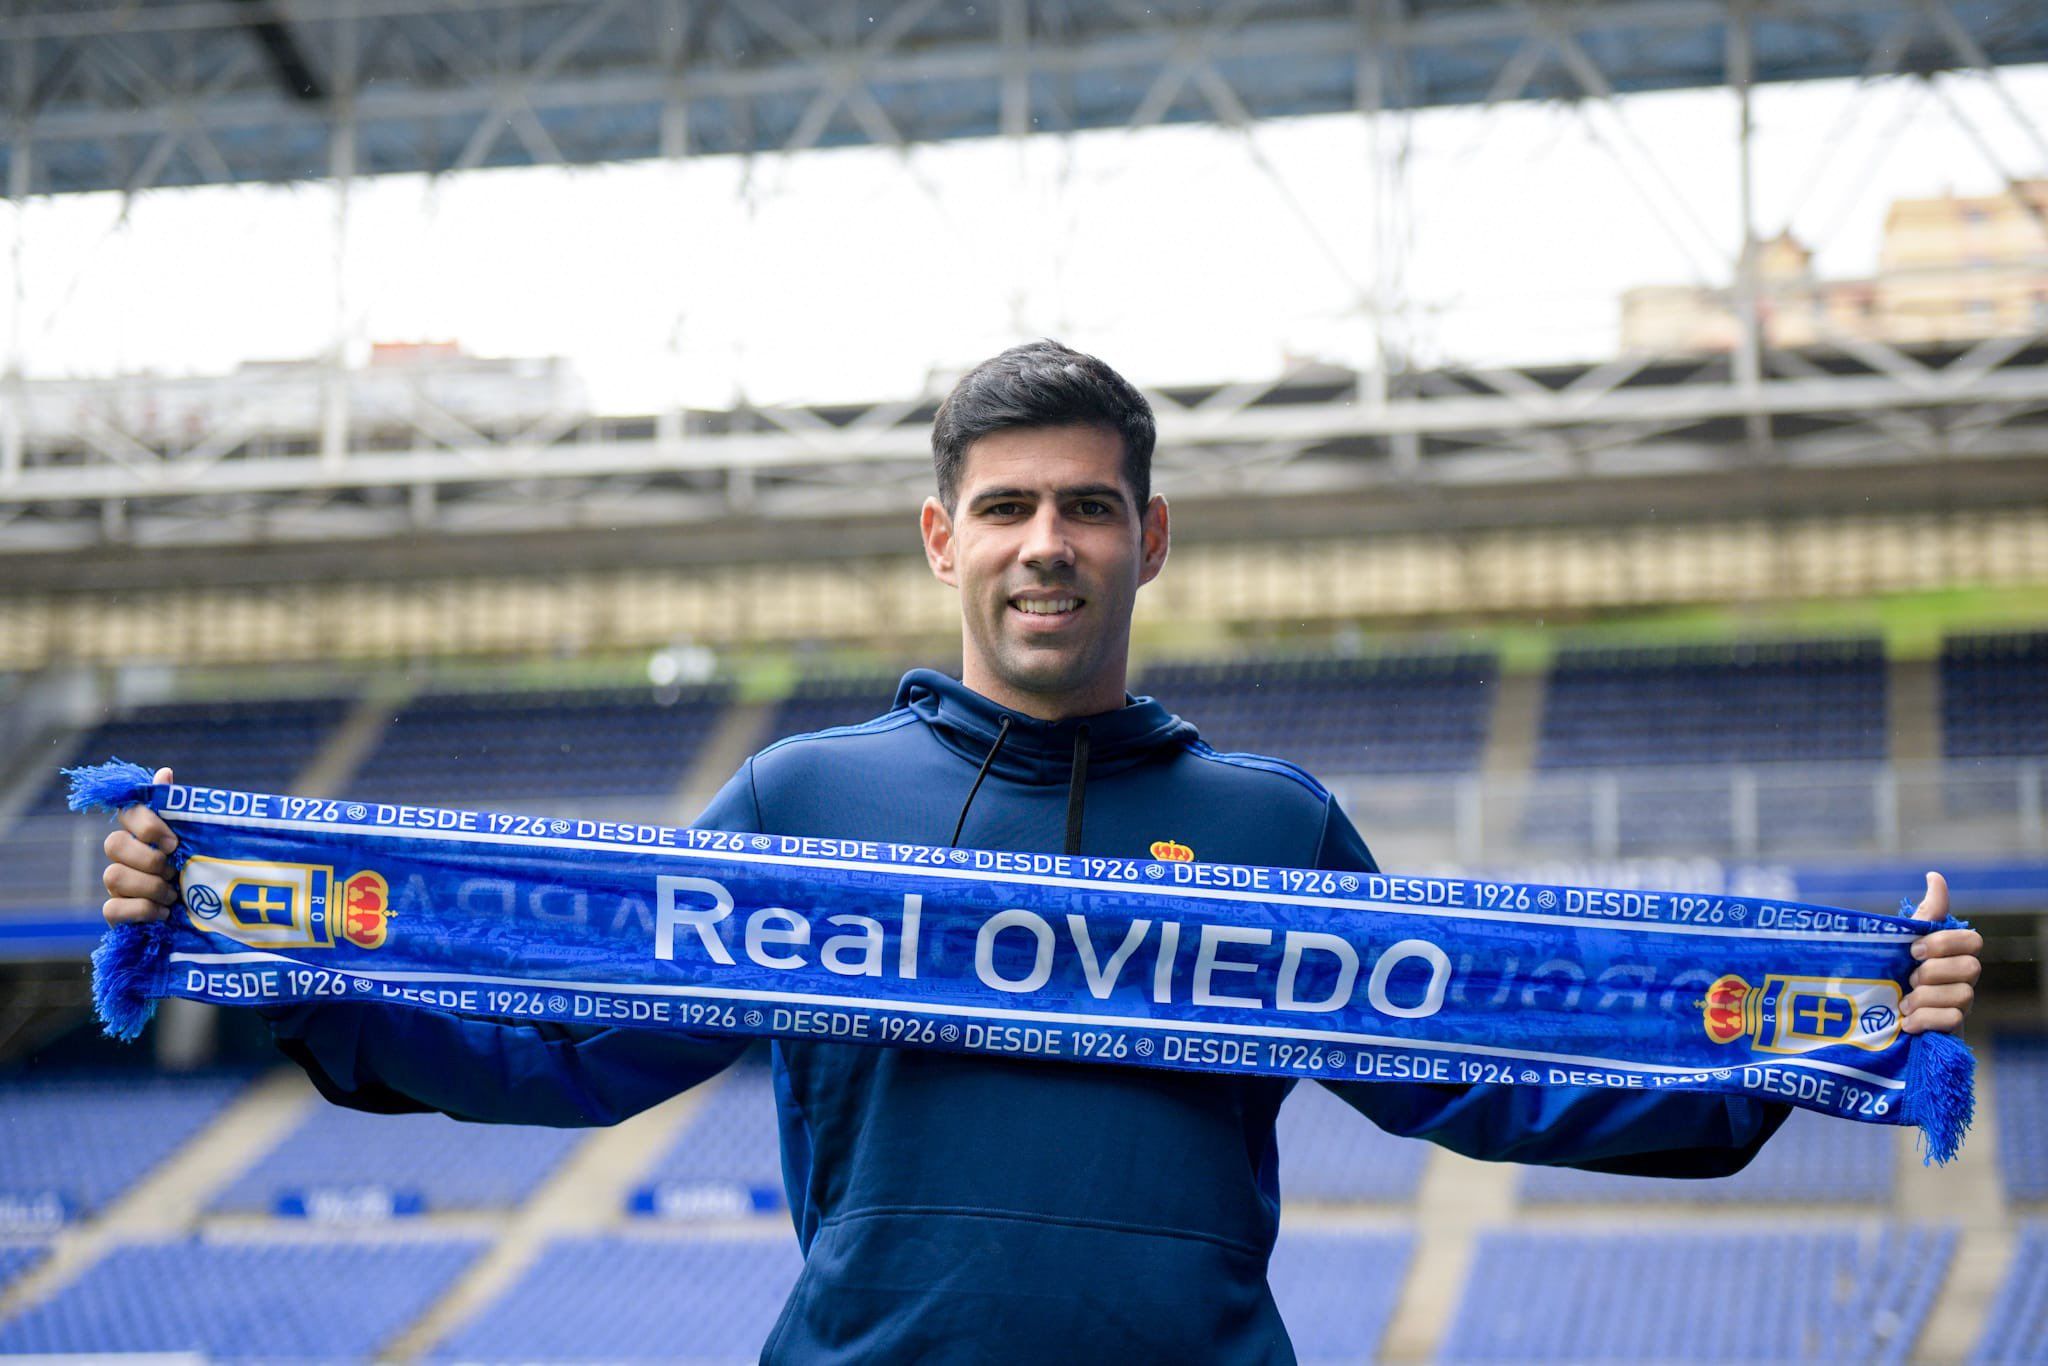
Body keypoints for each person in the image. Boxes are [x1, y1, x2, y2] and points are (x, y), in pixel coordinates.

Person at [100, 340, 1983, 1363]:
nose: (1046, 542)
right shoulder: (802, 802)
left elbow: (1467, 1065)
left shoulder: (1265, 825)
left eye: (1089, 505)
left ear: (1151, 540)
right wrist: (282, 961)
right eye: (1006, 506)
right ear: (941, 536)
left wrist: (1796, 1044)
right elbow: (578, 1043)